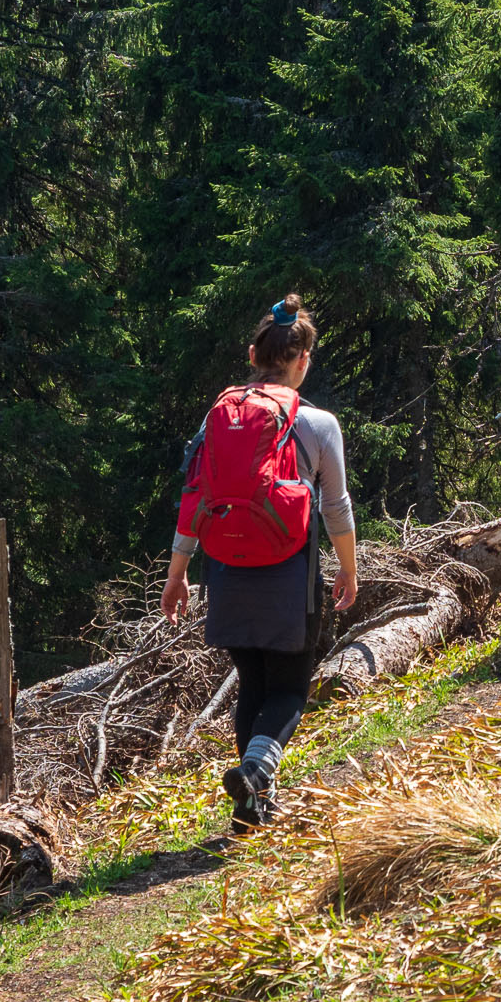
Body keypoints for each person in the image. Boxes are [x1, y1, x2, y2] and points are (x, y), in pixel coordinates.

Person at [159, 295, 358, 832]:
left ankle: (251, 803)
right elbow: (336, 506)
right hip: (288, 569)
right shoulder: (319, 424)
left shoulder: (218, 415)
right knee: (290, 687)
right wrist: (348, 567)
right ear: (303, 361)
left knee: (251, 683)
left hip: (224, 568)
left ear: (254, 354)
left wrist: (177, 575)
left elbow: (194, 496)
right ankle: (256, 771)